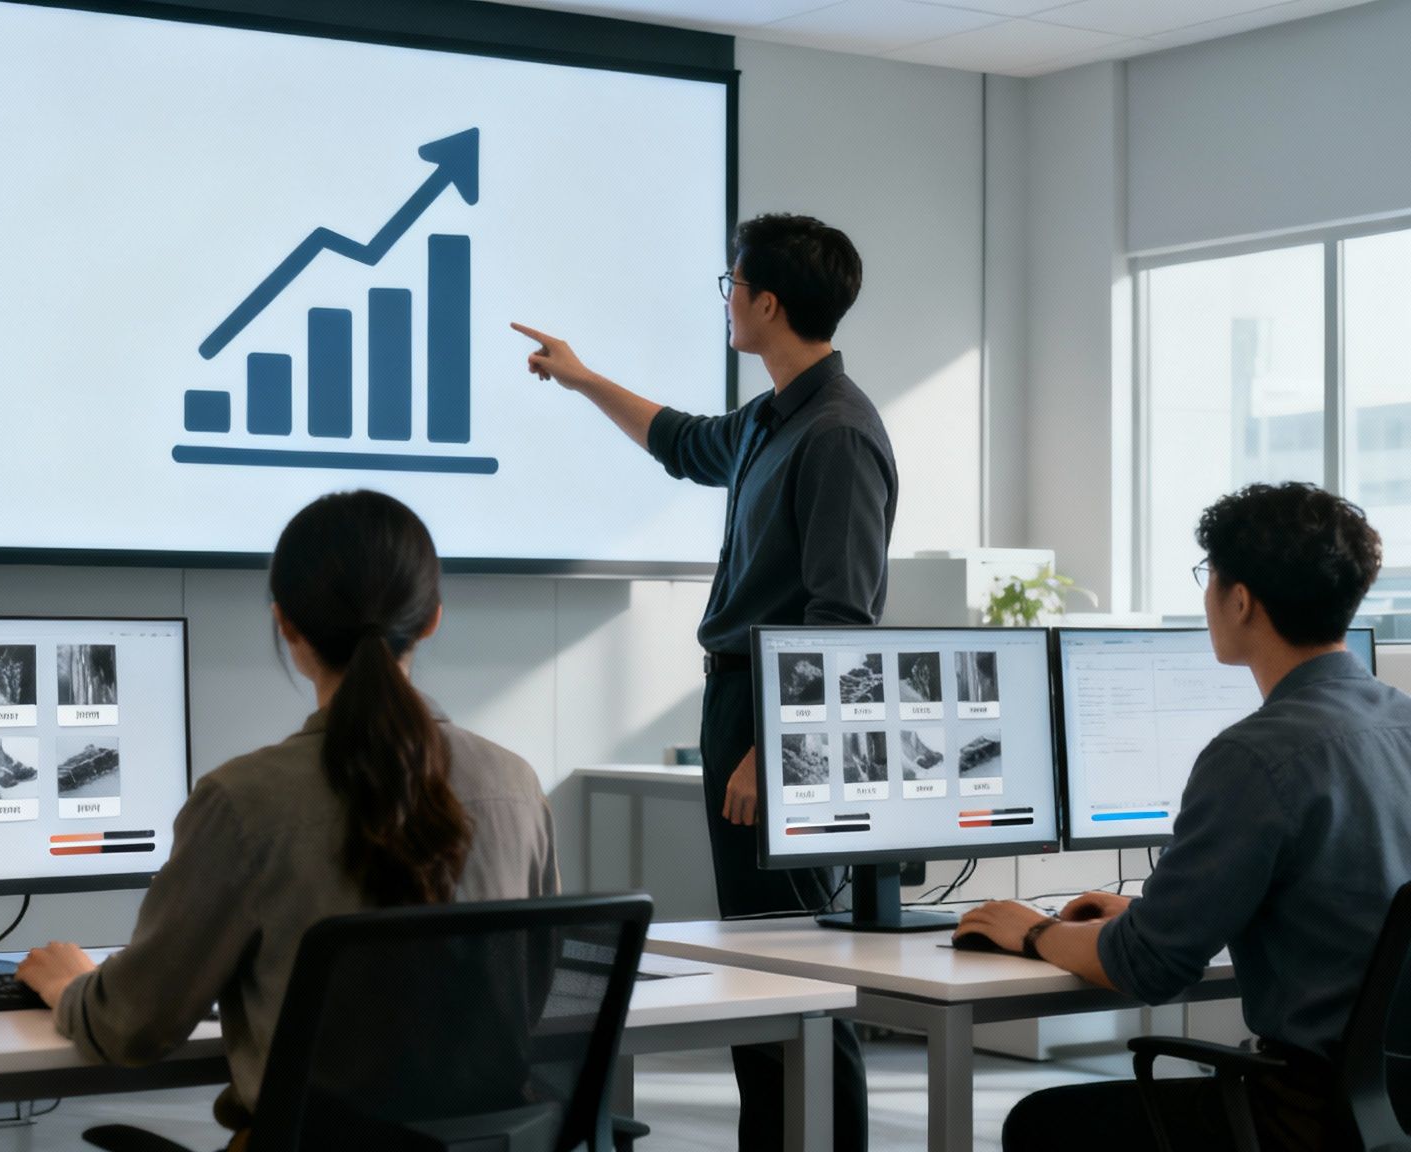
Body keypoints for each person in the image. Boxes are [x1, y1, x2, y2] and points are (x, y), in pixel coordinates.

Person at [14, 489, 558, 1146]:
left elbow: (132, 1029)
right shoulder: (516, 787)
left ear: (286, 624)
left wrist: (73, 986)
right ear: (433, 618)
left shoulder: (242, 803)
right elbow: (527, 999)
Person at [512, 212, 892, 1152]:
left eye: (733, 285)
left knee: (801, 976)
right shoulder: (772, 417)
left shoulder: (838, 434)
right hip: (740, 704)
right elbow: (681, 442)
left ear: (769, 303)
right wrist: (583, 377)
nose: (727, 301)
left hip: (780, 720)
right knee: (763, 971)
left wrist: (777, 748)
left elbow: (842, 622)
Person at [959, 482, 1411, 1152]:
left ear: (1239, 599)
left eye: (1210, 577)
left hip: (1306, 1116)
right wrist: (1152, 916)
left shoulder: (1255, 756)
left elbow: (1146, 968)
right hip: (1392, 1104)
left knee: (1040, 1124)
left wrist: (1034, 932)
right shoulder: (1401, 721)